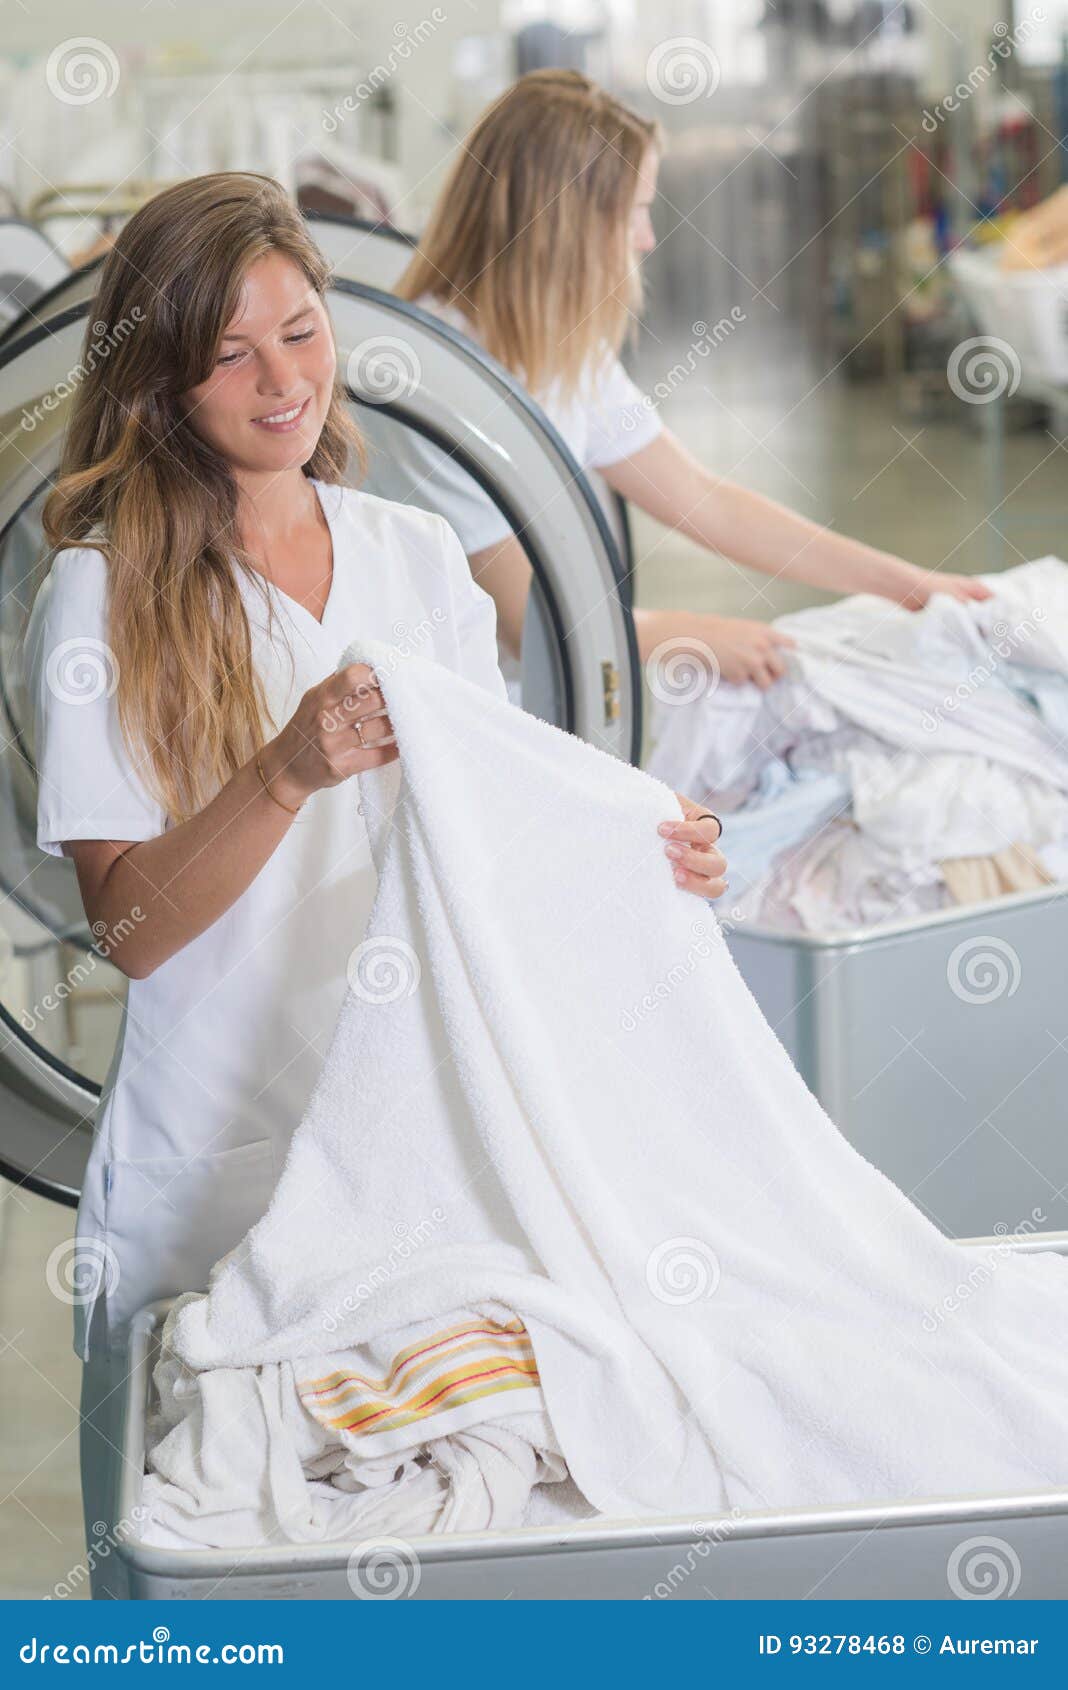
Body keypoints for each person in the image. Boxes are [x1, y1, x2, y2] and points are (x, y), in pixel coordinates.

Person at [21, 171, 727, 1596]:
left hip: (412, 1152)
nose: (283, 380)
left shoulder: (412, 556)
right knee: (192, 1593)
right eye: (230, 354)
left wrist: (647, 850)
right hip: (212, 1169)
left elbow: (496, 840)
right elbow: (130, 929)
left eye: (301, 332)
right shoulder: (103, 594)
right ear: (159, 379)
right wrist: (283, 771)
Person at [392, 69, 992, 695]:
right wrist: (685, 633)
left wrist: (908, 586)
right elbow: (528, 626)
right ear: (565, 220)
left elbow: (705, 501)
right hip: (453, 711)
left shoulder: (558, 351)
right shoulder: (440, 381)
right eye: (635, 211)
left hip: (529, 694)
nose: (647, 238)